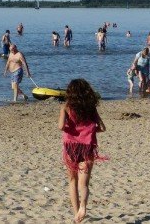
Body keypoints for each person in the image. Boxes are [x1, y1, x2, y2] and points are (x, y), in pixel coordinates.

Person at [57, 78, 106, 223]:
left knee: (72, 180)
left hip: (71, 147)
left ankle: (76, 213)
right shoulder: (91, 108)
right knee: (83, 184)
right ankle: (83, 207)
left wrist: (72, 130)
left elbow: (60, 126)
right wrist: (89, 131)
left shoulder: (66, 107)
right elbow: (102, 128)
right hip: (87, 147)